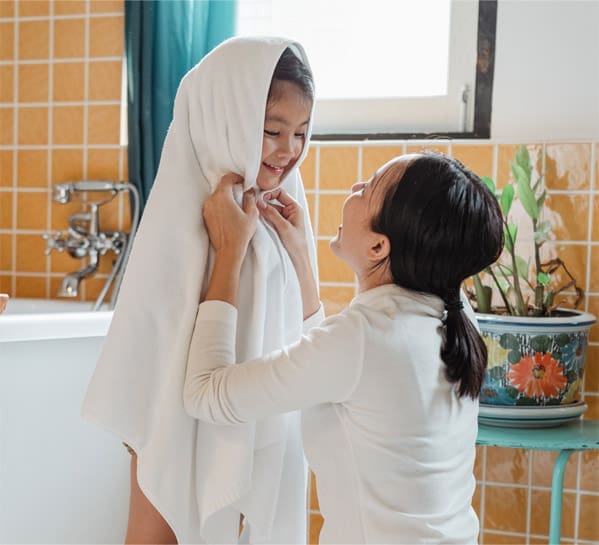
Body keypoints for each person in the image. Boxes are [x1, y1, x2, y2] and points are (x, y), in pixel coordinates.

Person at [184, 153, 505, 544]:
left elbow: (205, 394)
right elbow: (346, 373)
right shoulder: (456, 317)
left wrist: (230, 250)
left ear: (378, 247)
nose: (353, 190)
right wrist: (301, 256)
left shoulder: (365, 339)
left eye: (367, 189)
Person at [82, 37, 318, 544]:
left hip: (245, 413)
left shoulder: (282, 215)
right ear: (226, 119)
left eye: (301, 132)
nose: (289, 150)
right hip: (173, 412)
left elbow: (303, 335)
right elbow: (155, 328)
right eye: (271, 130)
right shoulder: (183, 215)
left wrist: (298, 253)